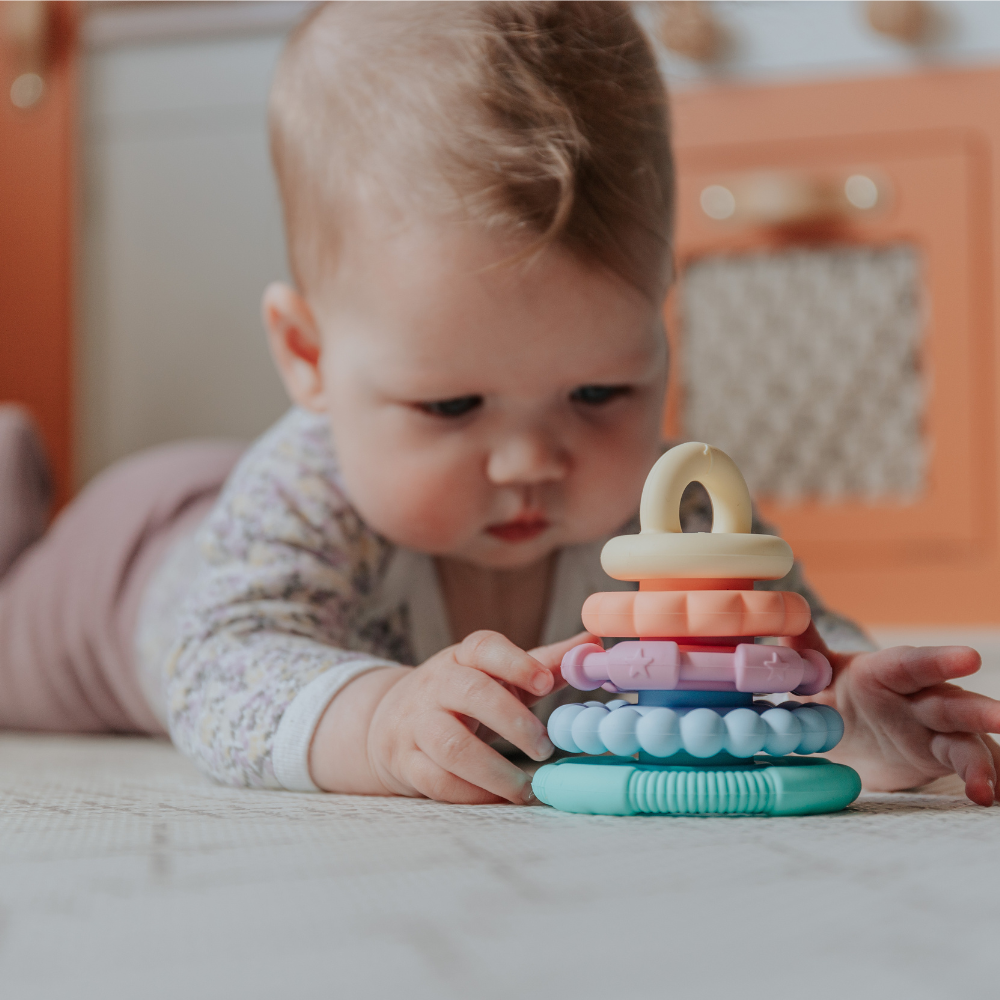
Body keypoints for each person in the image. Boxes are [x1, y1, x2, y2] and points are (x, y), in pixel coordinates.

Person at [2, 1, 998, 807]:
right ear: (308, 355)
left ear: (658, 327)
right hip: (120, 564)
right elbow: (216, 669)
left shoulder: (663, 507)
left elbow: (753, 658)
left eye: (599, 390)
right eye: (449, 404)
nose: (531, 458)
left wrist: (840, 708)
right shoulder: (306, 491)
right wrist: (379, 716)